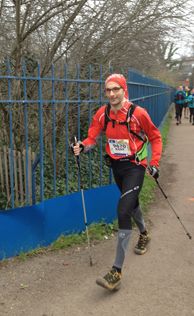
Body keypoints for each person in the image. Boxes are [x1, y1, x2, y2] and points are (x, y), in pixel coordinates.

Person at [71, 74, 162, 291]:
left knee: (123, 211)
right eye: (108, 90)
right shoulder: (103, 113)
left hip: (135, 166)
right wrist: (82, 146)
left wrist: (155, 163)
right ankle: (145, 234)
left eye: (115, 89)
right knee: (131, 203)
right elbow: (92, 137)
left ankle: (116, 272)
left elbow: (155, 137)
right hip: (117, 167)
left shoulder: (138, 114)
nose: (111, 94)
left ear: (124, 90)